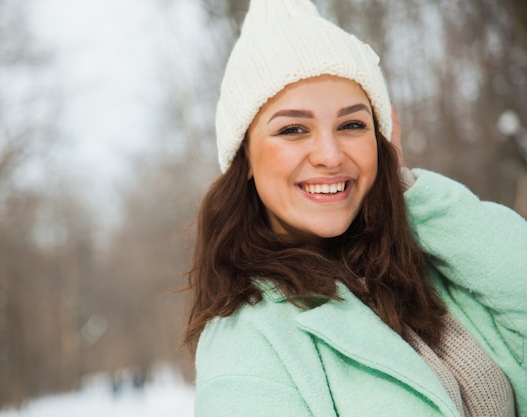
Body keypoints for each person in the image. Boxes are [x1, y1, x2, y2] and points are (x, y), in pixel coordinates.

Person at [183, 0, 527, 416]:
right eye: (293, 129)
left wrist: (401, 186)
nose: (330, 154)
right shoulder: (246, 343)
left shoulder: (439, 270)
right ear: (246, 159)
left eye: (352, 125)